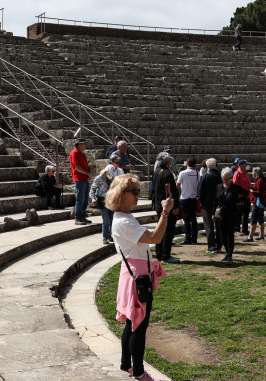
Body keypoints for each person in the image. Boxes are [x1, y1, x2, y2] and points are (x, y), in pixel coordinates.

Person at [109, 174, 173, 381]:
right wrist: (165, 212)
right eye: (134, 192)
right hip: (137, 277)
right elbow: (155, 237)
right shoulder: (123, 221)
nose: (138, 195)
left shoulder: (124, 218)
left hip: (135, 275)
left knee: (132, 322)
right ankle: (137, 371)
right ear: (121, 195)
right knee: (139, 325)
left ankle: (126, 364)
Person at [215, 167, 249, 264]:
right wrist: (213, 213)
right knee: (223, 234)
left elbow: (246, 194)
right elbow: (215, 200)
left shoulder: (235, 187)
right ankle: (226, 251)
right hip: (221, 214)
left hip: (231, 214)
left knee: (230, 235)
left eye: (226, 179)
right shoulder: (219, 187)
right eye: (223, 179)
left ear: (231, 178)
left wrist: (239, 202)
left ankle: (230, 255)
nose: (225, 181)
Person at [151, 152, 179, 263]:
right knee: (168, 231)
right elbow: (170, 191)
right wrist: (175, 206)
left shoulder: (156, 172)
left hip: (159, 204)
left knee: (160, 228)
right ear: (168, 162)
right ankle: (165, 255)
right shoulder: (167, 173)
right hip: (167, 206)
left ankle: (158, 254)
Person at [198, 158, 222, 254]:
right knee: (219, 226)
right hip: (219, 204)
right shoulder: (221, 176)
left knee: (209, 225)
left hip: (207, 205)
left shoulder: (205, 177)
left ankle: (211, 246)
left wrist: (202, 203)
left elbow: (200, 191)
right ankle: (219, 245)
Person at [176, 158, 200, 246]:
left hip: (185, 198)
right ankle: (194, 238)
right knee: (193, 219)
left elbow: (177, 186)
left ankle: (188, 238)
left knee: (186, 220)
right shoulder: (197, 173)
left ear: (187, 164)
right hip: (193, 198)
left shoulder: (182, 173)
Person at [68, 139, 92, 225]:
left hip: (85, 178)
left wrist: (89, 174)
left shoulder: (83, 153)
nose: (85, 145)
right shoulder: (74, 153)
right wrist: (87, 174)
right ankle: (77, 218)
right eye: (84, 144)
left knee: (85, 200)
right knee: (80, 199)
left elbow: (86, 166)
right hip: (79, 179)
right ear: (79, 144)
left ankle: (82, 217)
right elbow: (76, 167)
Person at [89, 165, 115, 244]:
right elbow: (92, 190)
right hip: (102, 200)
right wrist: (93, 198)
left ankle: (110, 235)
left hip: (110, 200)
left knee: (112, 219)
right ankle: (105, 237)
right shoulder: (99, 178)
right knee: (106, 220)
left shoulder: (112, 178)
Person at [245, 167, 266, 242]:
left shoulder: (259, 181)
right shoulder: (261, 180)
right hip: (262, 202)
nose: (252, 174)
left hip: (258, 203)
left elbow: (259, 192)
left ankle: (250, 237)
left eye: (253, 172)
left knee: (253, 219)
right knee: (260, 219)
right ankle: (261, 235)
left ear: (256, 173)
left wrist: (251, 191)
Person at [233, 160, 252, 234]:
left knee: (246, 213)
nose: (247, 166)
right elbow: (235, 185)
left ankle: (245, 229)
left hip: (247, 196)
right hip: (241, 196)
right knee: (239, 213)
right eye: (246, 165)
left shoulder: (246, 173)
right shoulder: (237, 173)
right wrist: (237, 197)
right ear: (242, 166)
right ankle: (237, 228)